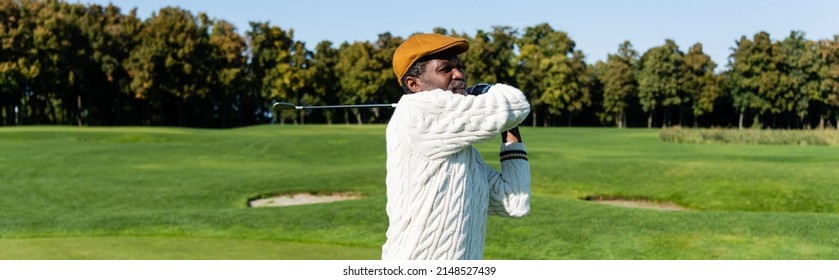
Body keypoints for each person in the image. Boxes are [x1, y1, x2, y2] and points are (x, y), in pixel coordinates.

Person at [382, 33, 531, 260]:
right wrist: (487, 91)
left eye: (459, 67)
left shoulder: (463, 155)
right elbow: (517, 103)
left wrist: (510, 125)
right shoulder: (418, 110)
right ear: (414, 84)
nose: (459, 74)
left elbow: (514, 202)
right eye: (445, 69)